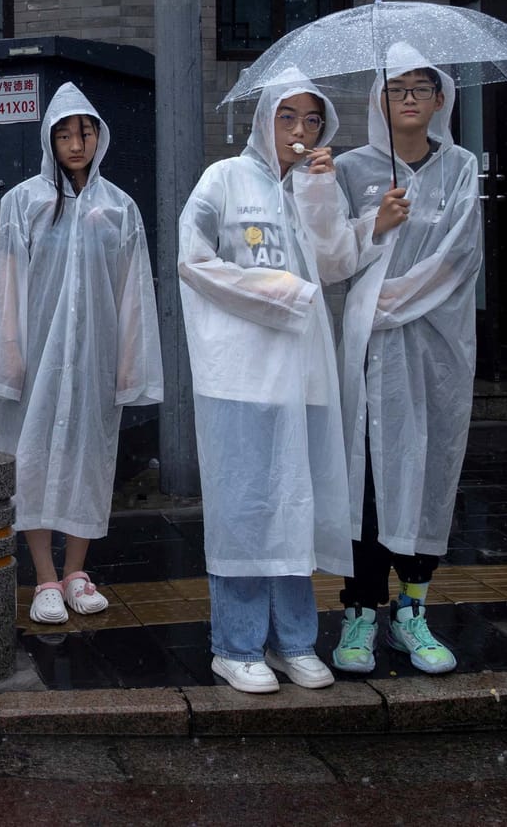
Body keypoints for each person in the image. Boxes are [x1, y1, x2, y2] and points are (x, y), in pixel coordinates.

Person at [178, 76, 386, 694]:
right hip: (239, 374)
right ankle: (234, 644)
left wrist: (349, 208)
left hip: (304, 374)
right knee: (244, 509)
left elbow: (334, 264)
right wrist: (280, 293)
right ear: (264, 118)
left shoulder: (312, 188)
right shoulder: (223, 180)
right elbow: (193, 260)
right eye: (288, 117)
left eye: (313, 121)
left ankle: (294, 640)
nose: (300, 132)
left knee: (297, 506)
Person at [319, 46, 480, 676]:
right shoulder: (351, 168)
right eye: (396, 88)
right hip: (367, 352)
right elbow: (328, 257)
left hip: (436, 345)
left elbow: (460, 254)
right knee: (365, 479)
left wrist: (387, 303)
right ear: (378, 101)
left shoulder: (461, 167)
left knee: (427, 470)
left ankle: (413, 608)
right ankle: (360, 608)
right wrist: (374, 224)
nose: (409, 97)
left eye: (422, 87)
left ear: (442, 99)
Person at [0, 83, 163, 622]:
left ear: (98, 136)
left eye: (83, 131)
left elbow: (134, 292)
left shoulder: (118, 208)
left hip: (95, 358)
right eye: (63, 133)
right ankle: (43, 575)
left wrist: (130, 367)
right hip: (36, 358)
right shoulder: (24, 202)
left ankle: (76, 572)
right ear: (49, 140)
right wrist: (8, 360)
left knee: (89, 459)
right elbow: (7, 287)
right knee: (31, 459)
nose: (75, 143)